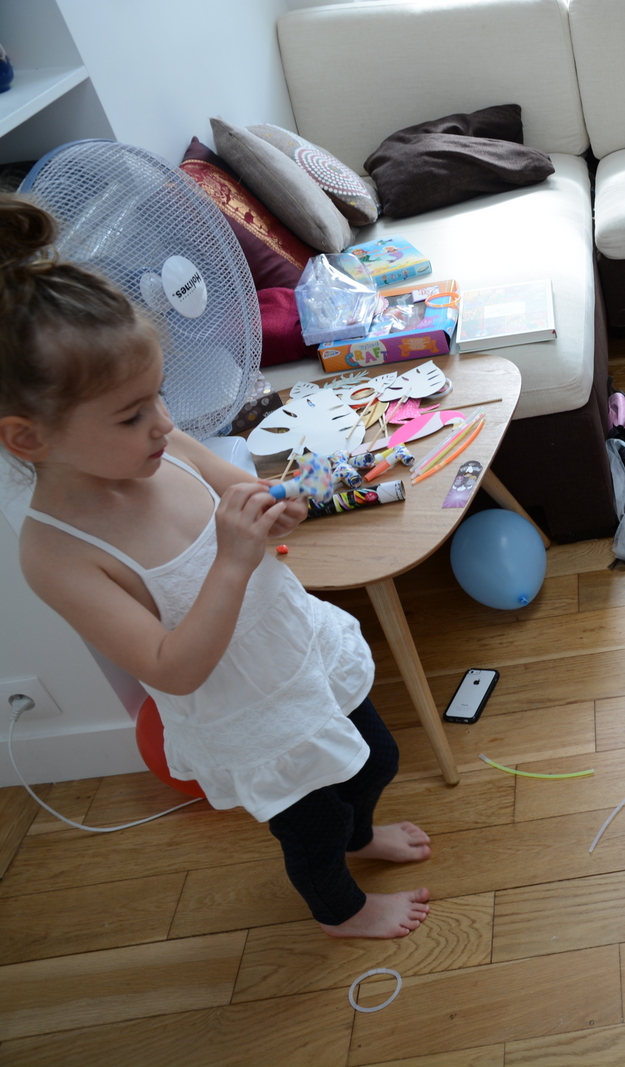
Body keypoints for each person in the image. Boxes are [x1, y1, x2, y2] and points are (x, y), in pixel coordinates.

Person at [0, 197, 430, 940]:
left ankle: (362, 836)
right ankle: (341, 909)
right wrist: (232, 559)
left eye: (159, 397)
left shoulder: (165, 448)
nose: (164, 424)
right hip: (245, 711)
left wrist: (279, 508)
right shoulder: (56, 553)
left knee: (376, 760)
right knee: (314, 825)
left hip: (296, 646)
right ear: (28, 438)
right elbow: (172, 669)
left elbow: (248, 492)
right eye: (131, 415)